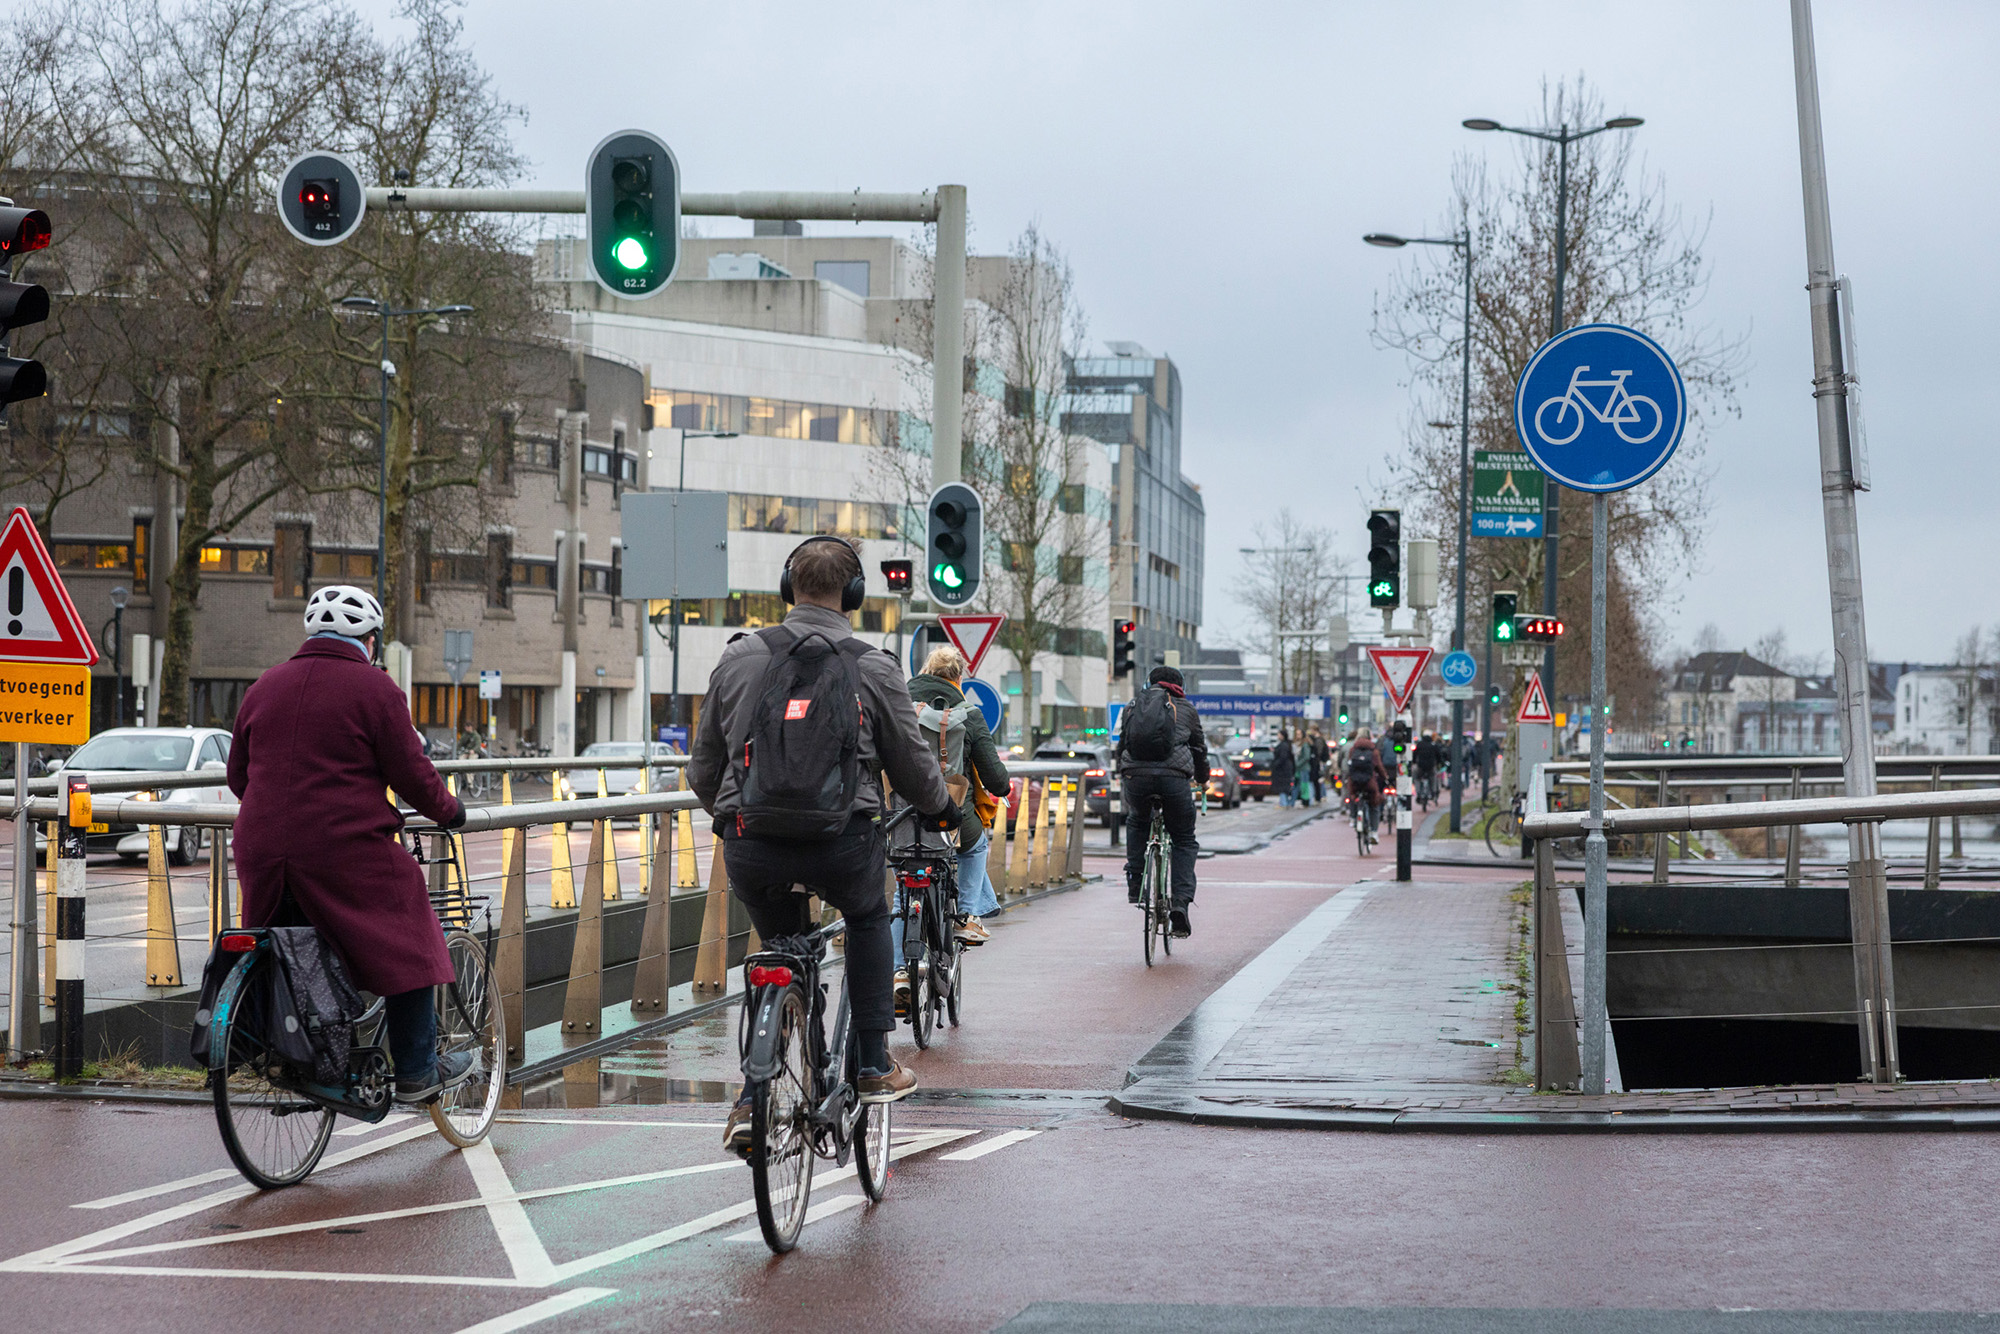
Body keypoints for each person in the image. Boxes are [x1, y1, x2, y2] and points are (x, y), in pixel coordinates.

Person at [690, 535, 957, 1157]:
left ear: (788, 589)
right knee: (866, 915)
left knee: (780, 943)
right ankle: (870, 1061)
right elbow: (916, 770)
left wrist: (736, 818)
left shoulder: (738, 659)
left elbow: (704, 770)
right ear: (855, 596)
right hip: (843, 843)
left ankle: (753, 1097)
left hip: (752, 845)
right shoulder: (873, 666)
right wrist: (942, 809)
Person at [227, 585, 472, 1104]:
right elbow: (413, 776)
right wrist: (451, 811)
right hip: (341, 848)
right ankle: (415, 1071)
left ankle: (285, 1051)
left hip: (262, 847)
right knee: (411, 935)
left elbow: (238, 776)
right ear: (371, 638)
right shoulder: (376, 689)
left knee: (287, 942)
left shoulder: (264, 686)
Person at [898, 644, 1010, 1001]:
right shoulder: (968, 714)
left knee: (903, 893)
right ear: (958, 678)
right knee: (975, 846)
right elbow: (994, 779)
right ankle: (965, 916)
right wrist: (1003, 787)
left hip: (901, 815)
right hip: (951, 817)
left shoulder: (898, 704)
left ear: (925, 672)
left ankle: (900, 971)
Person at [1115, 664, 1208, 937]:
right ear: (1180, 685)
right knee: (1184, 839)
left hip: (1136, 777)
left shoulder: (1132, 706)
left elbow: (1122, 746)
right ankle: (1179, 903)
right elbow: (1200, 749)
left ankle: (1135, 883)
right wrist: (1203, 780)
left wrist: (1125, 771)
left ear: (1150, 683)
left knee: (1137, 821)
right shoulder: (1187, 709)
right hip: (1174, 780)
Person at [1344, 728, 1392, 835]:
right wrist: (1385, 777)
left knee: (1352, 797)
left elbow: (1349, 765)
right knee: (1374, 804)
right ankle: (1374, 832)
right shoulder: (1373, 751)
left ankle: (1354, 817)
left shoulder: (1353, 750)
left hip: (1355, 782)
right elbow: (1379, 767)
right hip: (1369, 783)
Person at [1270, 727, 1297, 809]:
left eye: (1279, 734)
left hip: (1282, 770)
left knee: (1282, 787)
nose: (1278, 736)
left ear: (1282, 735)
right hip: (1285, 769)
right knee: (1285, 786)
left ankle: (1284, 803)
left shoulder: (1283, 745)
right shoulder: (1286, 745)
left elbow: (1283, 757)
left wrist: (1275, 764)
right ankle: (1285, 802)